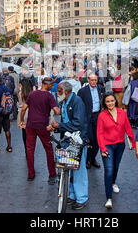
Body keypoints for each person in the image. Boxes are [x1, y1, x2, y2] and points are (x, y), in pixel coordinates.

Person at [48, 81, 90, 210]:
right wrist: (56, 128)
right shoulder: (65, 102)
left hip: (78, 140)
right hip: (68, 139)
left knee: (79, 170)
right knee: (69, 168)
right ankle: (72, 194)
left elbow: (78, 123)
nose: (57, 92)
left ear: (66, 91)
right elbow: (66, 121)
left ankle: (82, 198)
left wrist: (58, 126)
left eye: (59, 90)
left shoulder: (77, 102)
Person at [97, 93, 136, 209]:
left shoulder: (122, 113)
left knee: (116, 167)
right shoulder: (102, 116)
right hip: (107, 145)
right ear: (104, 103)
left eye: (112, 101)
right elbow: (99, 133)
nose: (110, 103)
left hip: (120, 145)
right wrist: (103, 148)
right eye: (107, 101)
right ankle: (109, 198)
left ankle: (113, 182)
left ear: (115, 101)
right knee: (109, 170)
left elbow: (128, 128)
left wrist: (133, 142)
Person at [20, 77, 60, 183]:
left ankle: (31, 174)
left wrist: (22, 121)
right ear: (46, 84)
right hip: (43, 126)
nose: (52, 87)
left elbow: (23, 109)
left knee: (30, 150)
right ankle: (52, 174)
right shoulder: (49, 96)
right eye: (51, 85)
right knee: (49, 150)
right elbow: (56, 111)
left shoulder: (32, 94)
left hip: (30, 125)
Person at [77, 72, 105, 169]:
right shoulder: (82, 91)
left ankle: (93, 158)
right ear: (88, 80)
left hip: (98, 116)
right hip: (87, 117)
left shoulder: (100, 89)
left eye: (95, 80)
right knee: (89, 139)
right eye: (92, 80)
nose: (94, 82)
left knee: (97, 140)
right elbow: (79, 105)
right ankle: (88, 159)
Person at [18, 77, 34, 158]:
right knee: (31, 133)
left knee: (24, 134)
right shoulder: (32, 93)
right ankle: (30, 150)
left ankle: (26, 150)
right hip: (31, 113)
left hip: (23, 113)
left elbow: (20, 104)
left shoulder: (20, 93)